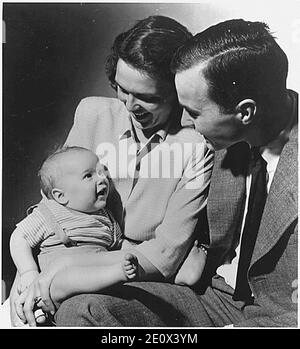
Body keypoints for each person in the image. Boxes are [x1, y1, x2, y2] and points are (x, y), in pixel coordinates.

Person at [50, 18, 296, 327]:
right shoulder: (224, 136)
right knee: (82, 310)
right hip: (215, 296)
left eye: (193, 113)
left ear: (244, 112)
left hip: (281, 314)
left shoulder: (214, 140)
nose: (187, 124)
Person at [10, 15, 213, 326]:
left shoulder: (196, 146)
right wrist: (31, 275)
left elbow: (166, 256)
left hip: (133, 278)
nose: (131, 106)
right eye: (121, 89)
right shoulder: (92, 113)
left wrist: (65, 269)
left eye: (148, 97)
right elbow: (54, 202)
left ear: (178, 90)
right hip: (51, 268)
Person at [10, 146, 140, 324]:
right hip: (54, 283)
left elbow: (119, 244)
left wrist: (136, 254)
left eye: (103, 173)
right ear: (61, 196)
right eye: (88, 175)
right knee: (66, 278)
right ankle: (116, 273)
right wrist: (28, 272)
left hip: (93, 276)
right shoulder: (49, 212)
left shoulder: (107, 217)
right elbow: (19, 238)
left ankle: (115, 274)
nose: (102, 179)